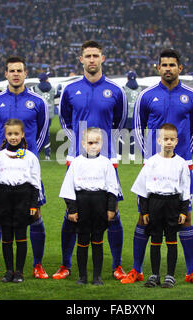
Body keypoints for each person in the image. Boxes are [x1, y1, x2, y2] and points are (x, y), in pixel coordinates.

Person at [127, 48, 193, 285]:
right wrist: (150, 159)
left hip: (183, 166)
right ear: (158, 68)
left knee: (186, 217)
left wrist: (184, 158)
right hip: (153, 167)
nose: (168, 68)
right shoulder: (146, 95)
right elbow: (138, 128)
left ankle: (191, 271)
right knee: (144, 217)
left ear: (180, 68)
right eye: (165, 65)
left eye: (173, 65)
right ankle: (137, 270)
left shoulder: (191, 96)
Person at [56, 40, 128, 281]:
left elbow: (120, 122)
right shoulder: (70, 89)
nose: (91, 60)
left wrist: (105, 148)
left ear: (103, 58)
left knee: (112, 212)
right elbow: (65, 121)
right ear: (81, 59)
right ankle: (66, 265)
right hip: (76, 157)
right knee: (72, 213)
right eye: (87, 56)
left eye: (96, 55)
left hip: (107, 159)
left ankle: (116, 265)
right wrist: (78, 144)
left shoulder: (116, 90)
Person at [0, 56, 49, 279]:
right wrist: (4, 155)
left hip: (27, 170)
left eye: (20, 70)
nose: (16, 74)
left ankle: (37, 265)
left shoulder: (38, 102)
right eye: (12, 70)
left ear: (26, 73)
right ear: (6, 73)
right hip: (1, 171)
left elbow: (42, 133)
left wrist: (25, 155)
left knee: (35, 214)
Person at [131, 123, 190, 288]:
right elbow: (142, 190)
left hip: (173, 204)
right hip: (155, 204)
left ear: (177, 141)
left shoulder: (181, 163)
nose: (169, 142)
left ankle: (170, 275)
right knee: (155, 240)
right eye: (165, 139)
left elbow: (185, 190)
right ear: (159, 140)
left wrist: (183, 211)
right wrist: (144, 211)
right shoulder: (151, 162)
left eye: (172, 139)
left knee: (171, 240)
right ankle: (155, 275)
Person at [59, 127, 119, 285]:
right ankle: (83, 276)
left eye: (97, 142)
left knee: (98, 241)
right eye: (90, 142)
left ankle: (97, 276)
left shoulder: (106, 163)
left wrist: (111, 208)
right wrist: (72, 210)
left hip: (100, 203)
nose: (93, 146)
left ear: (102, 144)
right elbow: (68, 188)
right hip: (82, 203)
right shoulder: (76, 162)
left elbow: (113, 188)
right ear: (84, 144)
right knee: (82, 240)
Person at [0, 119, 43, 283]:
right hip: (4, 199)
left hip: (23, 198)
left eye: (16, 134)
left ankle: (19, 272)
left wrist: (33, 204)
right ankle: (8, 271)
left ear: (22, 134)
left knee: (21, 236)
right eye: (10, 134)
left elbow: (35, 182)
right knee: (7, 237)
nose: (13, 137)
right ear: (5, 135)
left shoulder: (29, 157)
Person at [31, 72, 56, 160]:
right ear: (46, 79)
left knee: (35, 132)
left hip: (39, 114)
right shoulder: (53, 88)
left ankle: (34, 151)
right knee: (46, 134)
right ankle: (47, 154)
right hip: (49, 114)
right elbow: (58, 94)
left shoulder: (34, 88)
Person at [119, 71, 142, 161]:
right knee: (133, 136)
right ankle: (132, 154)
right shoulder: (140, 90)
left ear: (127, 78)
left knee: (122, 135)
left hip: (125, 116)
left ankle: (120, 154)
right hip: (135, 116)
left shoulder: (124, 89)